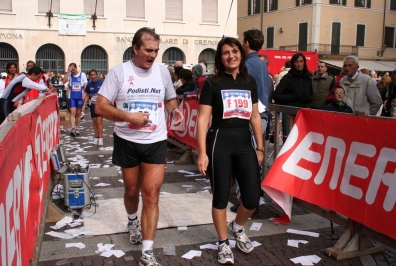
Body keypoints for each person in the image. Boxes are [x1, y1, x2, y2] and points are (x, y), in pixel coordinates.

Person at [95, 27, 183, 266]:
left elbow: (169, 98)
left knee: (152, 195)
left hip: (155, 141)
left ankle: (147, 250)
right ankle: (132, 220)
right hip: (127, 141)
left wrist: (174, 110)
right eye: (148, 50)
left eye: (156, 50)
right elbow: (100, 107)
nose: (153, 55)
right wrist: (128, 117)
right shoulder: (119, 73)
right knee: (132, 192)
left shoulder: (163, 72)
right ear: (135, 49)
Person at [196, 37, 263, 265]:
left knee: (253, 197)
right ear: (220, 57)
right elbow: (203, 119)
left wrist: (260, 146)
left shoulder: (249, 81)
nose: (231, 56)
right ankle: (223, 242)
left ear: (241, 54)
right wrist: (202, 153)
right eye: (226, 52)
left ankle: (238, 227)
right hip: (219, 142)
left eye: (234, 51)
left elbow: (255, 116)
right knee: (221, 197)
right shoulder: (212, 82)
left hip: (244, 143)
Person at [230, 29, 269, 214]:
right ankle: (253, 199)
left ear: (246, 43)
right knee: (253, 161)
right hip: (262, 115)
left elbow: (241, 88)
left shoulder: (248, 64)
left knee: (245, 161)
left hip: (251, 116)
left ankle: (248, 201)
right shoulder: (261, 64)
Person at [63, 63, 88, 136]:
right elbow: (64, 81)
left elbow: (85, 85)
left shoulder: (82, 75)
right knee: (72, 112)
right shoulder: (70, 75)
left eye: (73, 69)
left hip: (80, 96)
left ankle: (77, 127)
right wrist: (68, 72)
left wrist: (85, 94)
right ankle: (72, 128)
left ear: (76, 68)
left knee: (78, 113)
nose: (72, 71)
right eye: (71, 69)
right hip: (72, 97)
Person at [84, 69, 104, 145]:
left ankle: (100, 138)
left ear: (97, 75)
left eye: (94, 74)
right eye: (91, 75)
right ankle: (96, 137)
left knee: (99, 121)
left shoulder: (101, 83)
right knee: (94, 122)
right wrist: (84, 104)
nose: (93, 76)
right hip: (92, 105)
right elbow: (87, 95)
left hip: (100, 105)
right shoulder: (89, 85)